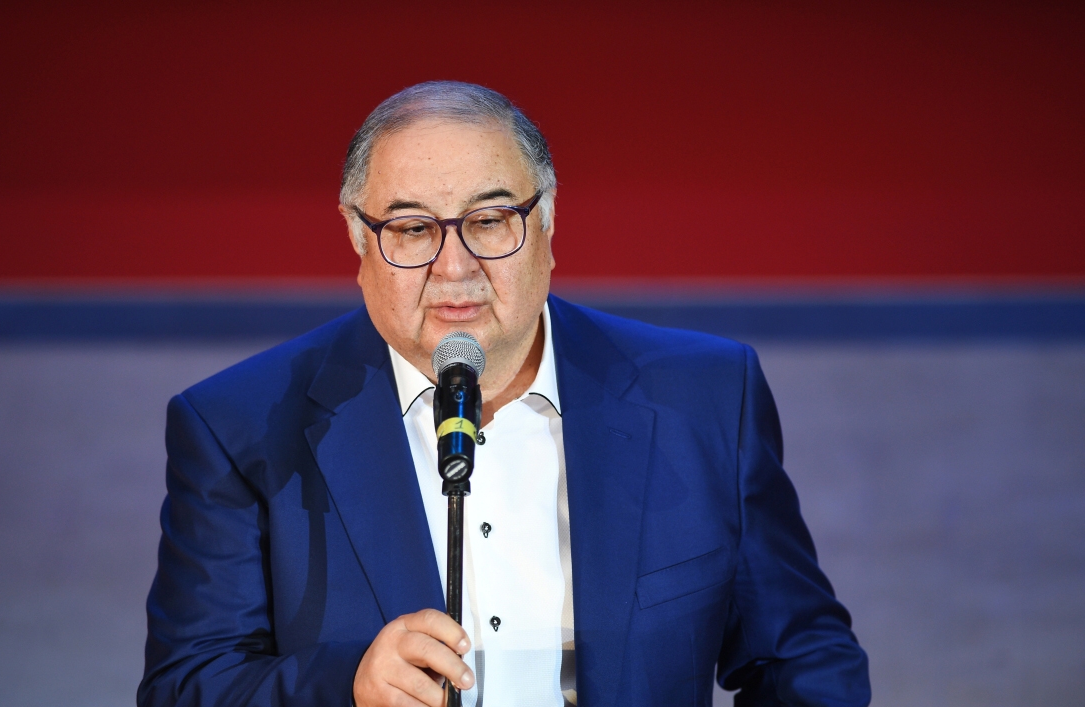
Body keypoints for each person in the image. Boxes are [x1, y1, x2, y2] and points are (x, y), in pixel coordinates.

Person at [139, 81, 870, 707]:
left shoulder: (703, 398)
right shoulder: (240, 427)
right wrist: (346, 686)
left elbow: (802, 657)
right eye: (412, 229)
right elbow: (187, 686)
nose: (454, 268)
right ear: (359, 240)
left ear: (547, 223)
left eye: (489, 221)